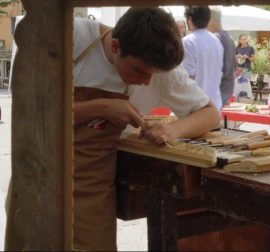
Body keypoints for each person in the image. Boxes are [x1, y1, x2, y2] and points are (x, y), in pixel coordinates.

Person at [6, 7, 220, 251]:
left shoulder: (161, 69)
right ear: (116, 46)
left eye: (154, 74)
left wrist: (174, 130)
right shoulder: (70, 36)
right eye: (139, 71)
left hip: (91, 191)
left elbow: (211, 114)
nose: (147, 81)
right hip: (35, 177)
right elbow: (33, 110)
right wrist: (103, 107)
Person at [183, 6, 224, 111]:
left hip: (196, 106)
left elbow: (188, 76)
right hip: (215, 104)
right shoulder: (216, 41)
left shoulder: (188, 42)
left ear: (189, 19)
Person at [207, 6, 236, 106]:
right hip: (228, 86)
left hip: (218, 88)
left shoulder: (215, 38)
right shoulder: (229, 38)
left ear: (211, 21)